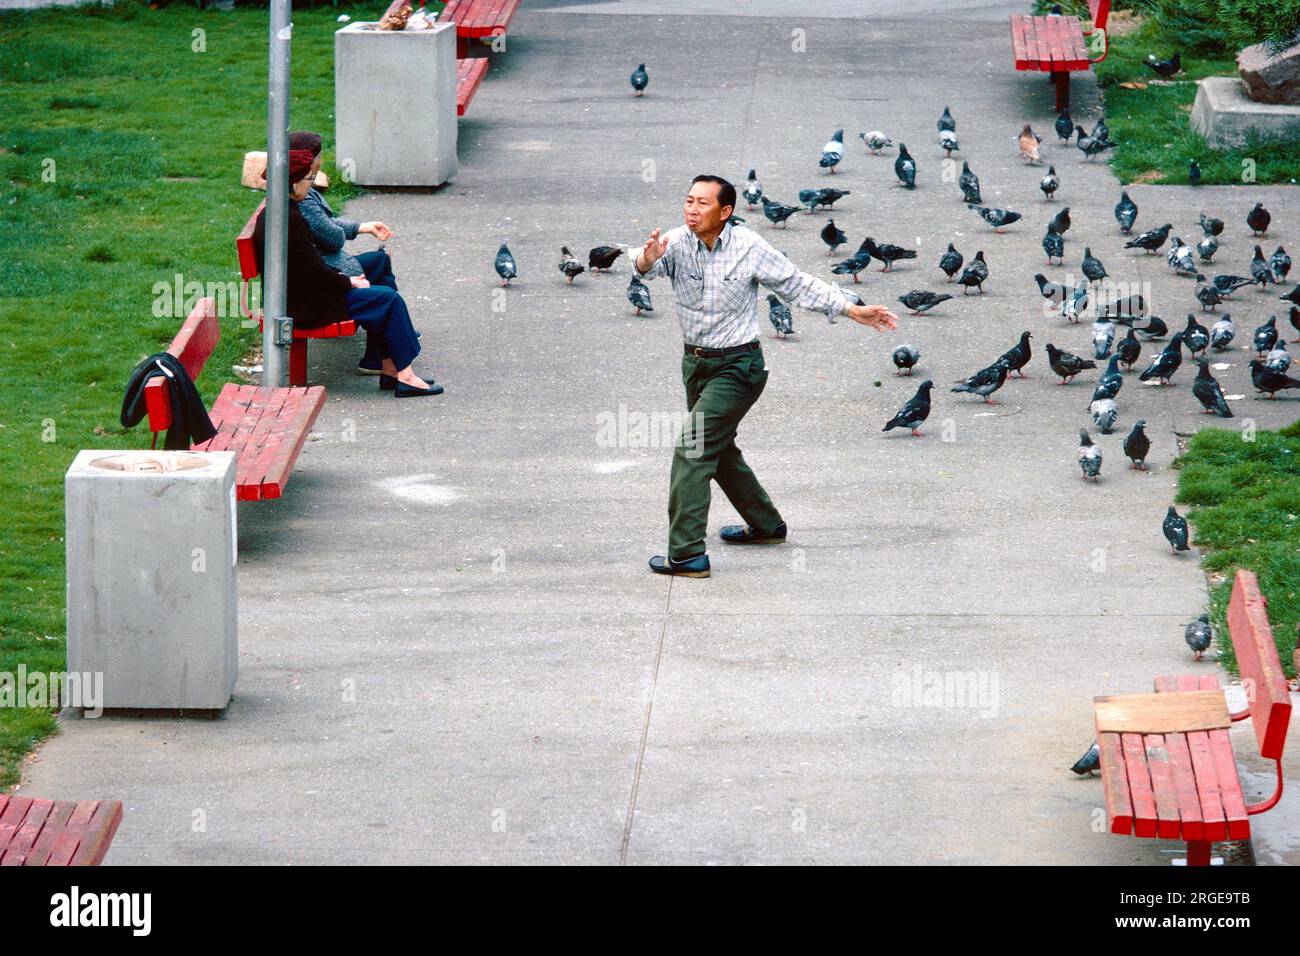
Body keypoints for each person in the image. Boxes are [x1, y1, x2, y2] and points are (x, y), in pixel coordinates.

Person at [635, 174, 898, 578]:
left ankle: (687, 555)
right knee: (715, 448)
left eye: (703, 204)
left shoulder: (748, 247)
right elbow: (642, 266)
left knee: (693, 448)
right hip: (696, 364)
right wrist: (647, 259)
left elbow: (796, 284)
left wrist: (850, 309)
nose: (692, 209)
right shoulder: (674, 241)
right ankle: (766, 526)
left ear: (726, 212)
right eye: (689, 201)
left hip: (739, 368)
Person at [254, 149, 443, 397]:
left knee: (382, 294)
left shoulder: (280, 213)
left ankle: (391, 369)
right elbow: (315, 273)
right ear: (293, 183)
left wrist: (348, 281)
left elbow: (311, 268)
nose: (311, 186)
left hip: (298, 298)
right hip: (306, 307)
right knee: (388, 300)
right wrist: (349, 283)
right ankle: (406, 377)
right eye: (308, 180)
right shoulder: (290, 219)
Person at [287, 131, 399, 375]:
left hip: (325, 272)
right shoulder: (301, 203)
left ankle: (387, 342)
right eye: (318, 156)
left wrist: (362, 227)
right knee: (386, 291)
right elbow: (331, 238)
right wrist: (349, 282)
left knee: (382, 266)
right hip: (325, 280)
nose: (321, 161)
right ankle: (387, 344)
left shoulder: (300, 195)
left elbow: (327, 224)